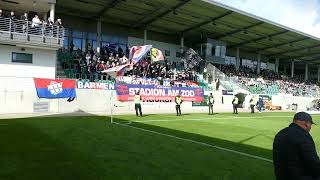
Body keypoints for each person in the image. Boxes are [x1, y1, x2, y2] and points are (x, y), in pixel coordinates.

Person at [273, 112, 320, 180]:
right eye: (311, 124)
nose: (310, 127)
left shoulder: (280, 133)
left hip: (281, 176)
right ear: (306, 123)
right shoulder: (304, 136)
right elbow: (313, 162)